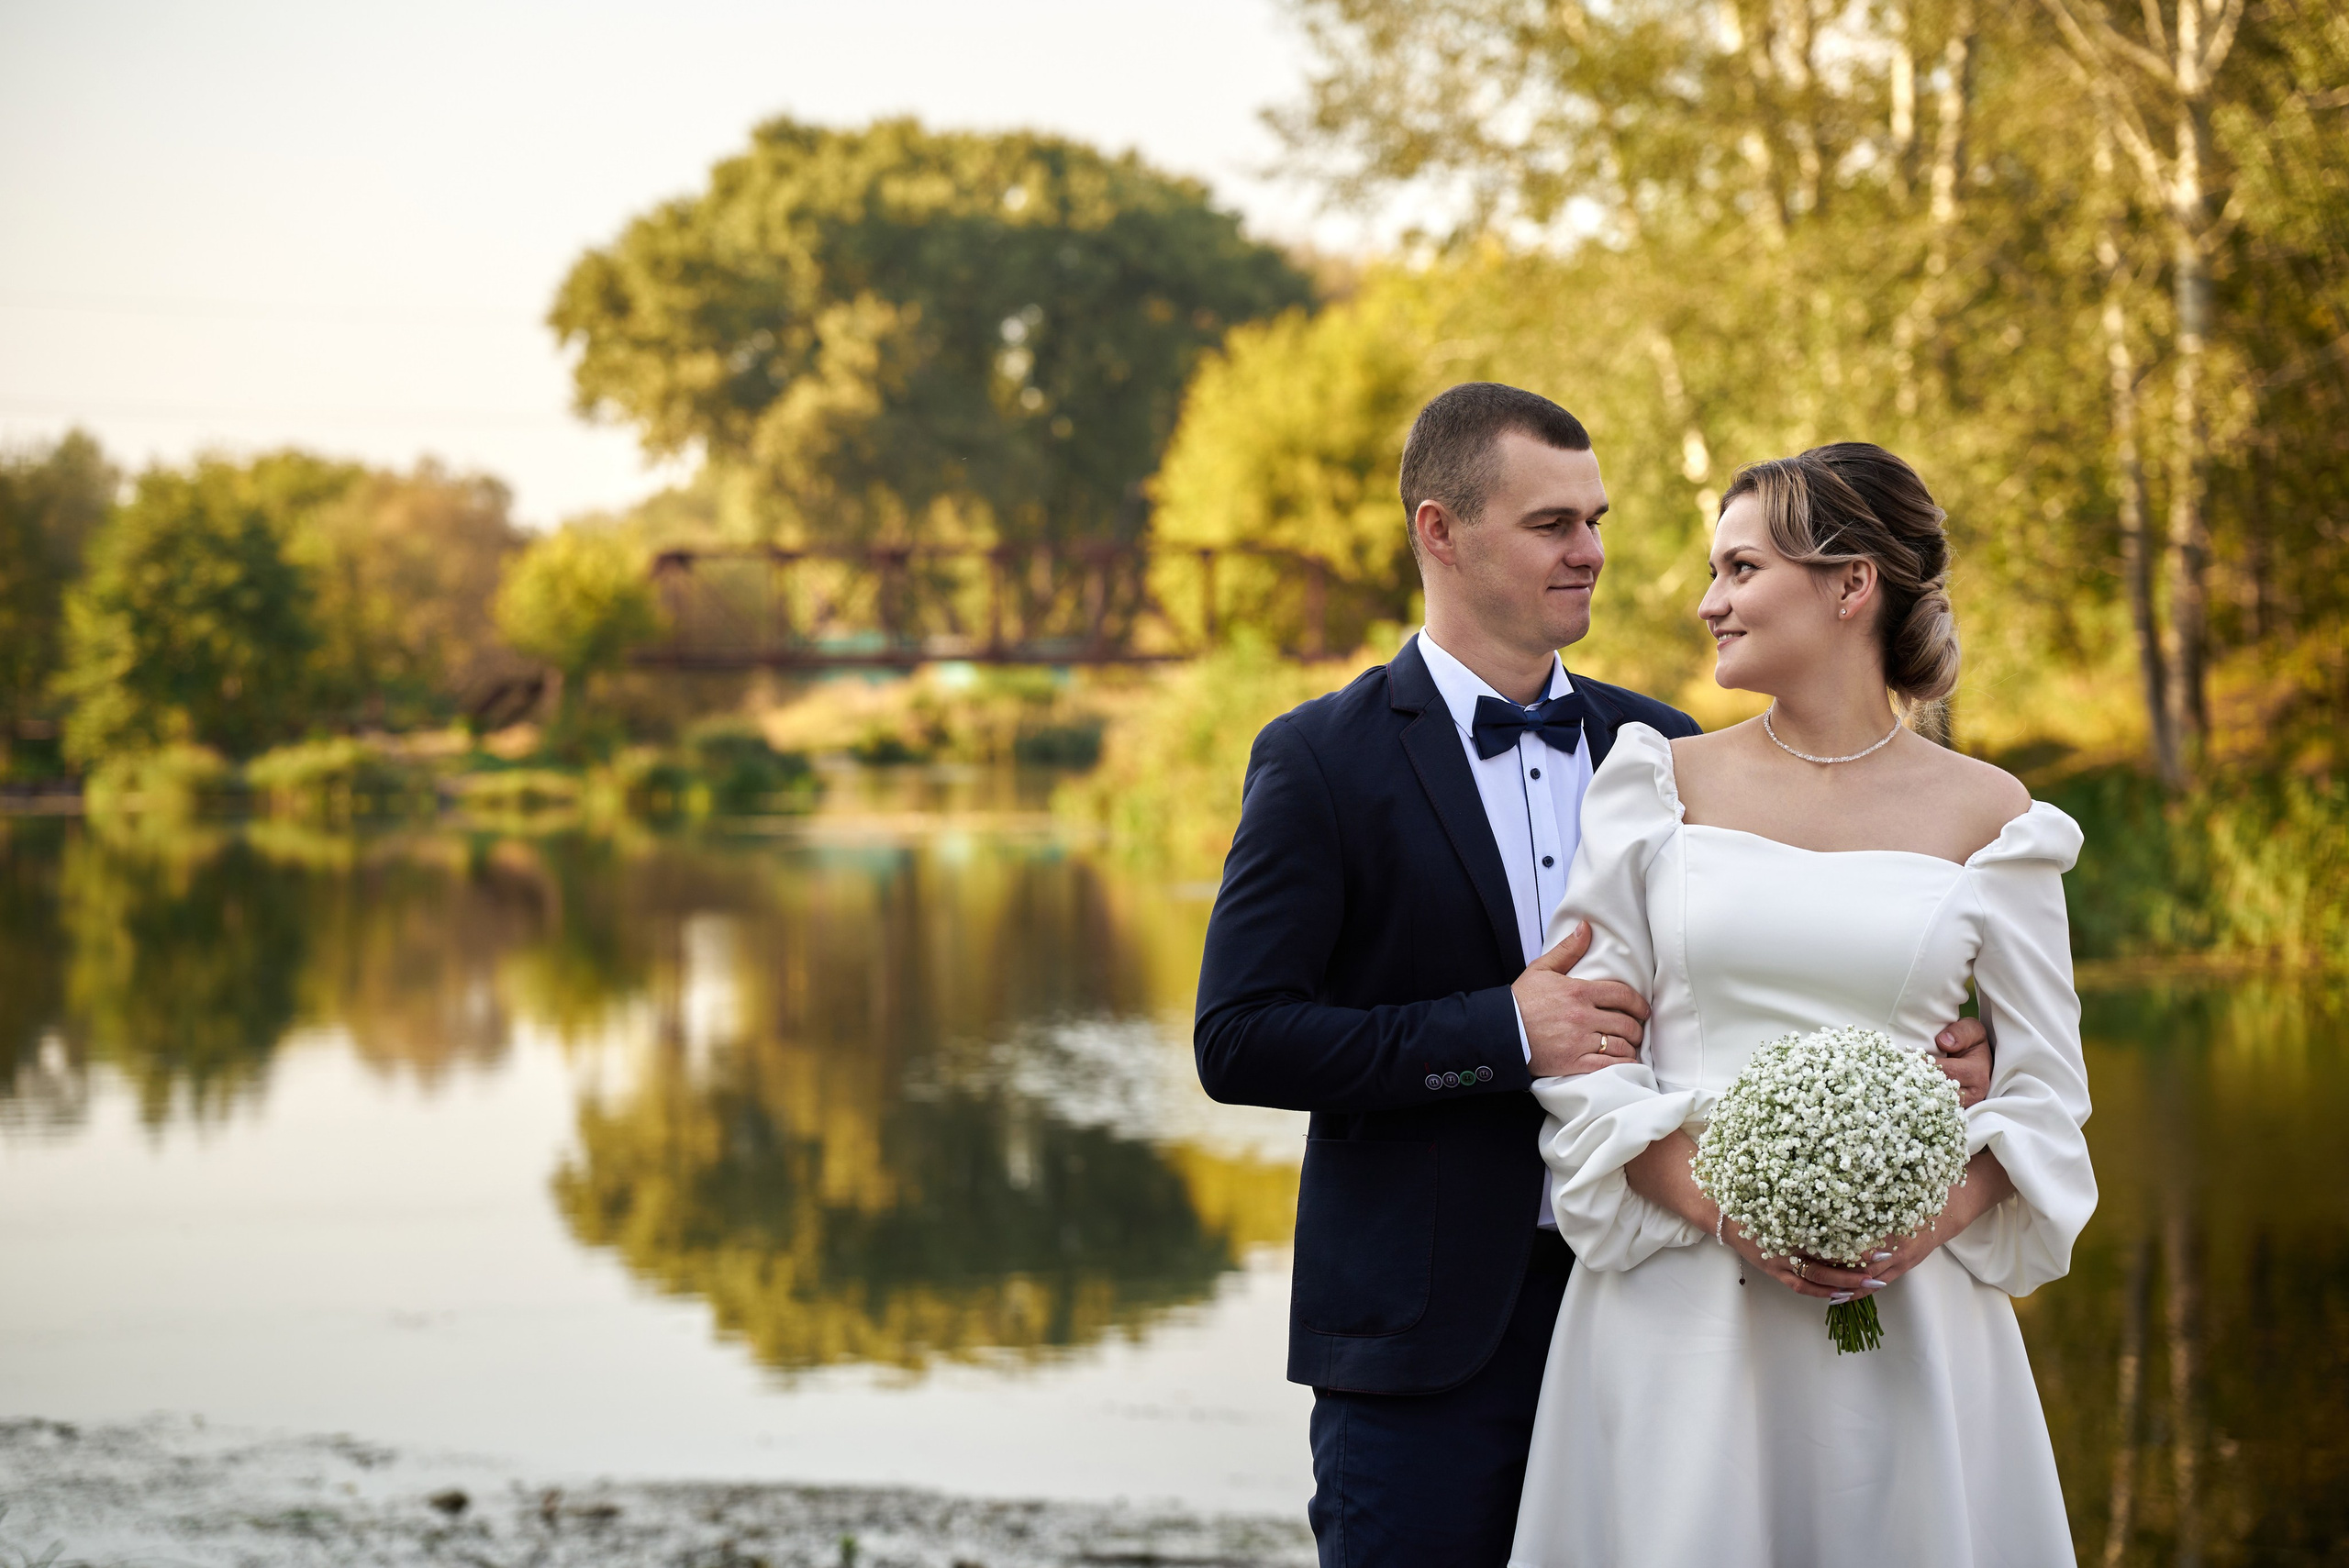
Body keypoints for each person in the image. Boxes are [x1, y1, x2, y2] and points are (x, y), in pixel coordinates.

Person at [1193, 385, 1994, 1567]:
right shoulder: (1321, 759)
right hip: (1424, 1346)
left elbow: (1765, 976)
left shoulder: (1672, 753)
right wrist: (1502, 1030)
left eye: (1596, 518)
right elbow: (1240, 1037)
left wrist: (1929, 1056)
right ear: (1440, 532)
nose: (1592, 552)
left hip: (1666, 1302)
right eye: (1552, 524)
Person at [1508, 443, 2097, 1568]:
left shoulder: (1994, 815)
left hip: (1907, 1314)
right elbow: (1589, 1064)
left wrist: (1905, 1229)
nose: (1706, 600)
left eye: (1738, 567)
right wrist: (1728, 1208)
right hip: (1681, 1302)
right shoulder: (1654, 786)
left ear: (1848, 584)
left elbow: (2042, 1095)